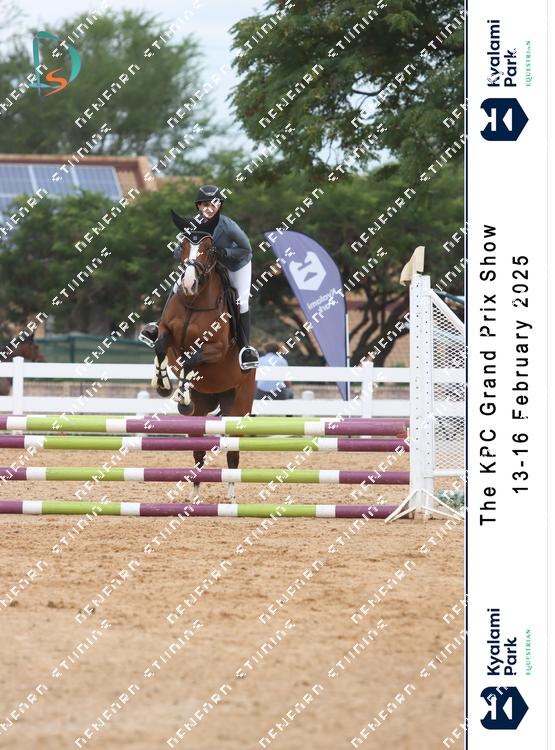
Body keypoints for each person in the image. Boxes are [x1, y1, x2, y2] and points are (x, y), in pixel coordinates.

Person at [140, 185, 259, 370]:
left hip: (235, 264)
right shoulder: (191, 224)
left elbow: (246, 249)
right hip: (204, 265)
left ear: (219, 206)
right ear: (198, 206)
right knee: (177, 285)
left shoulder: (228, 225)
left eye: (213, 204)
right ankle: (158, 326)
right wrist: (183, 251)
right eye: (205, 204)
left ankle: (245, 349)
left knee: (241, 301)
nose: (209, 208)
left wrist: (224, 252)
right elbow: (178, 251)